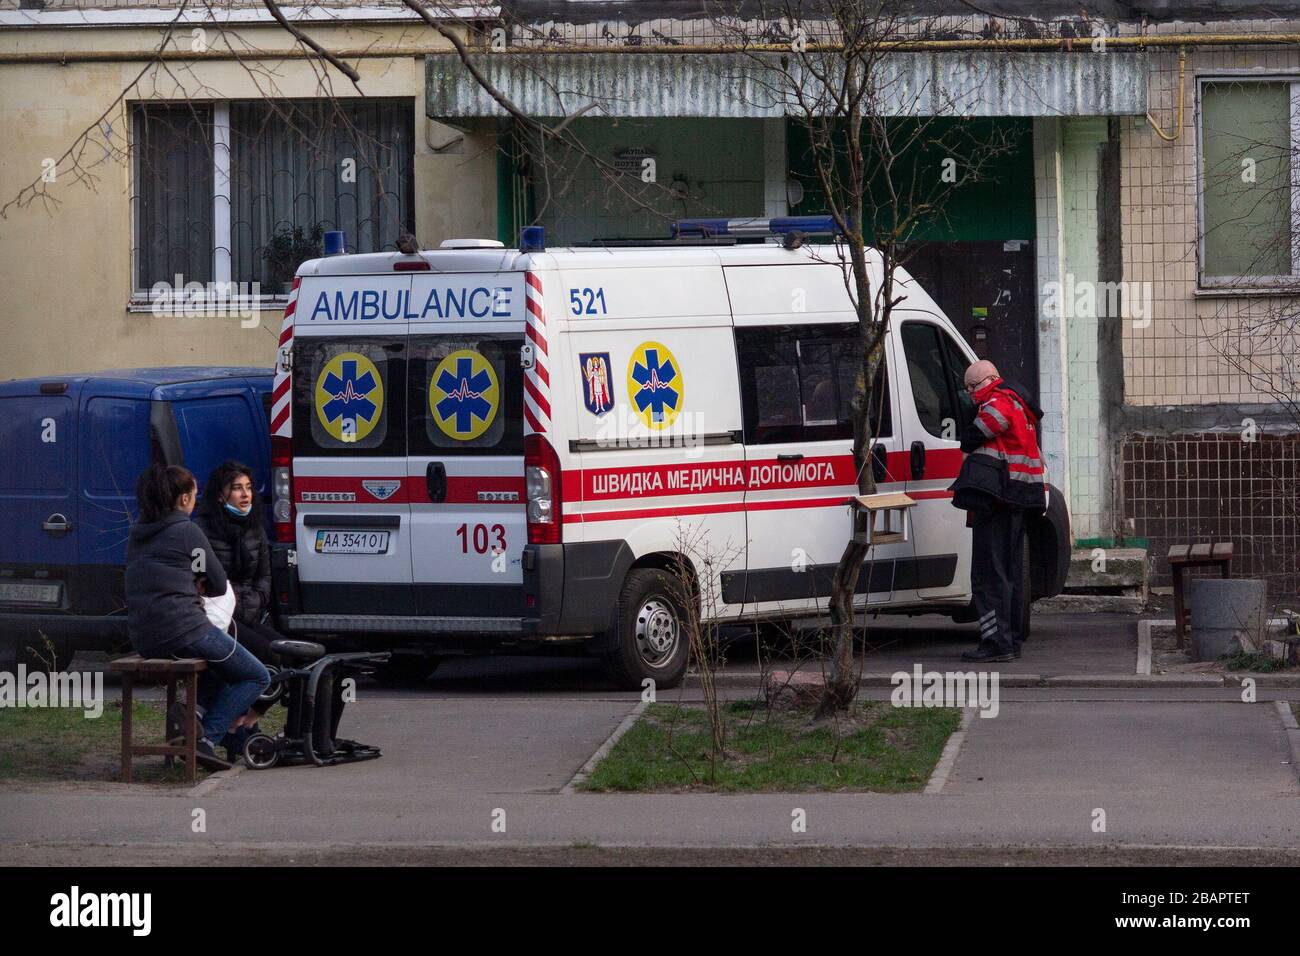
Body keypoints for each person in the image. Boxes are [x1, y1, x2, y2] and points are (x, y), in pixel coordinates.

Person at [195, 459, 349, 755]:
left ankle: (245, 722)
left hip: (249, 613)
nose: (245, 495)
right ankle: (234, 727)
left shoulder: (255, 527)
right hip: (219, 618)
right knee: (267, 658)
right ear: (220, 495)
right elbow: (208, 582)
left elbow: (265, 577)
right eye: (237, 489)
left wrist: (253, 599)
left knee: (292, 655)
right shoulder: (204, 530)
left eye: (249, 488)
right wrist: (240, 600)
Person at [124, 464, 270, 770]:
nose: (195, 498)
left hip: (145, 636)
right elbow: (217, 583)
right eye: (193, 493)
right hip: (187, 628)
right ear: (182, 499)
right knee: (257, 675)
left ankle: (196, 714)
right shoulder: (187, 530)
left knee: (221, 668)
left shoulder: (138, 533)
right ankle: (207, 739)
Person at [949, 360, 1047, 663]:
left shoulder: (999, 400)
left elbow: (980, 431)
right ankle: (1011, 640)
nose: (970, 394)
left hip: (997, 499)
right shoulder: (1020, 405)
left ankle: (995, 643)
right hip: (1017, 499)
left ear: (989, 380)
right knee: (1010, 574)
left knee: (989, 574)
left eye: (971, 387)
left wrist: (968, 427)